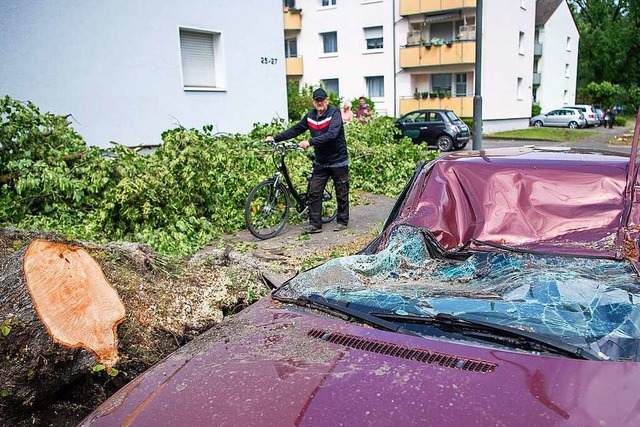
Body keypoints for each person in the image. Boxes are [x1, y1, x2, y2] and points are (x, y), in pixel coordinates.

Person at [265, 88, 350, 234]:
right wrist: (275, 138)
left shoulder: (334, 113)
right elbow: (297, 129)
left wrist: (310, 142)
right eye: (317, 100)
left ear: (327, 100)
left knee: (341, 192)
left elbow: (332, 134)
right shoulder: (310, 116)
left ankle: (342, 221)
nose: (320, 103)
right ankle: (315, 225)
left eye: (322, 100)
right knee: (314, 192)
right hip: (321, 161)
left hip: (338, 160)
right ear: (313, 102)